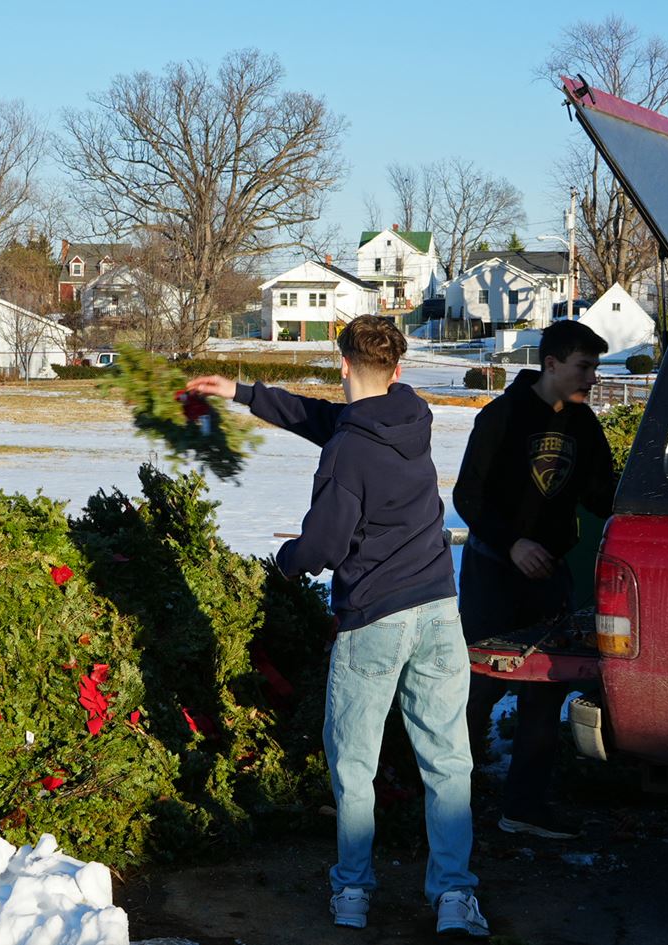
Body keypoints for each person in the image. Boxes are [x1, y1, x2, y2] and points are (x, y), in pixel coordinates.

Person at [187, 315, 488, 938]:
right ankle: (456, 896)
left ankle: (352, 891)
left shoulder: (349, 453)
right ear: (397, 371)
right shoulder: (412, 415)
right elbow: (331, 421)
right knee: (447, 762)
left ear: (341, 364)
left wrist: (286, 560)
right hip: (437, 610)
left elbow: (323, 544)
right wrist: (242, 393)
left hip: (374, 619)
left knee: (354, 766)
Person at [453, 320, 617, 840]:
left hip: (550, 578)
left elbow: (600, 495)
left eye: (593, 367)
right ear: (550, 365)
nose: (591, 377)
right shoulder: (499, 418)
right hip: (493, 574)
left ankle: (524, 807)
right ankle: (450, 800)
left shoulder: (585, 427)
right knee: (478, 687)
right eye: (583, 367)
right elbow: (468, 498)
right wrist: (512, 543)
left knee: (547, 691)